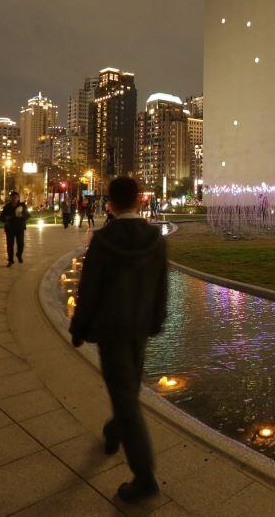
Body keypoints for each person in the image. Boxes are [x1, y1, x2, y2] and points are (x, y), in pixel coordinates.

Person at [69, 177, 168, 504]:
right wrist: (156, 320)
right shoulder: (154, 238)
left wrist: (79, 328)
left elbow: (89, 289)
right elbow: (162, 285)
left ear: (109, 204)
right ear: (139, 200)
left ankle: (145, 477)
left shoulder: (104, 240)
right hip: (140, 328)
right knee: (128, 390)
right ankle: (114, 430)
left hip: (112, 330)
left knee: (125, 396)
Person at [0, 191, 29, 266]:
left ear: (18, 198)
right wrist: (6, 218)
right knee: (10, 245)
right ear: (10, 198)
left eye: (15, 197)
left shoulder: (22, 206)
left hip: (20, 228)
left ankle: (19, 254)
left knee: (21, 243)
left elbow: (28, 215)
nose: (14, 199)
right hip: (10, 228)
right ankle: (10, 260)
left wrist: (22, 215)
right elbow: (1, 218)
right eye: (12, 197)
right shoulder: (7, 207)